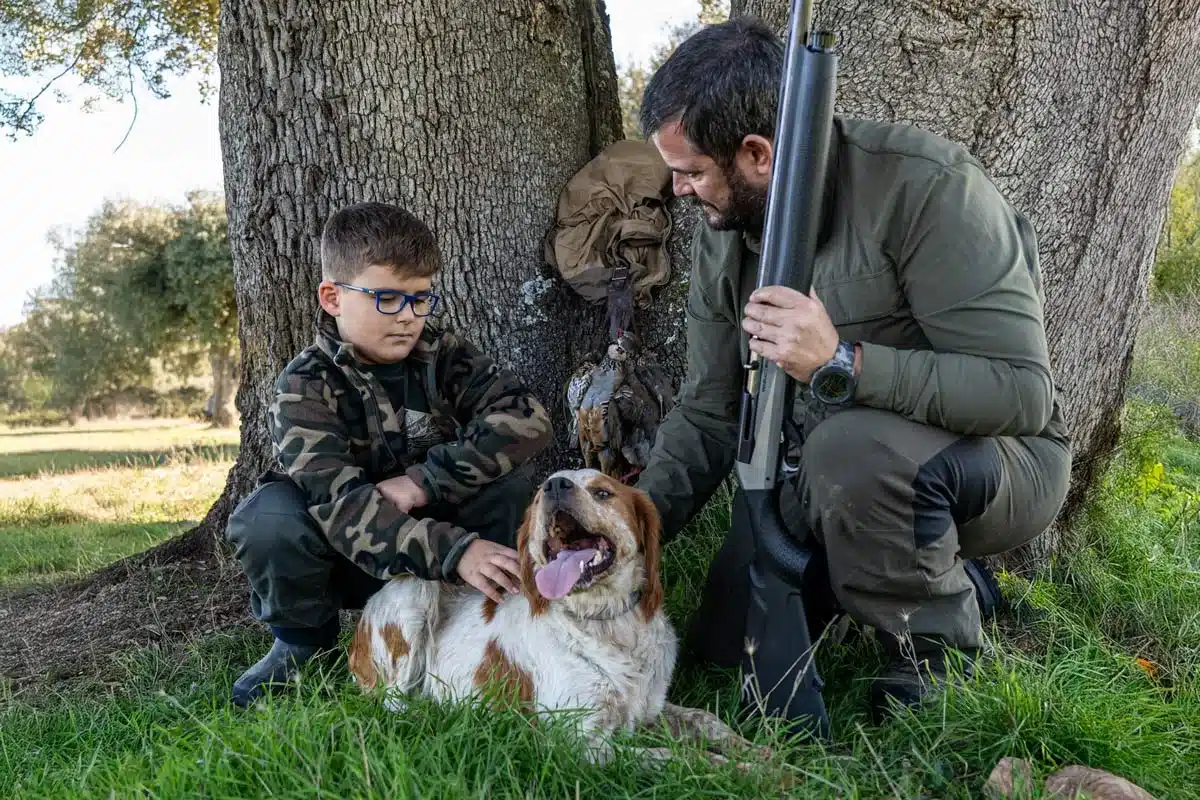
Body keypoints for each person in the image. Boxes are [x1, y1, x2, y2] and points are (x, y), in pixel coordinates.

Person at [632, 18, 1072, 721]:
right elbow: (708, 410)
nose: (679, 191)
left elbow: (1020, 393)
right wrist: (630, 524)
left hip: (1000, 461)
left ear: (757, 153)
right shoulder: (724, 228)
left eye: (691, 173)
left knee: (852, 453)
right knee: (722, 642)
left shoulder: (927, 187)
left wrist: (842, 364)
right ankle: (923, 573)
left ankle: (939, 672)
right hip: (828, 472)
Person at [225, 201, 553, 707]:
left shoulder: (442, 355)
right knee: (267, 519)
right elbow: (345, 510)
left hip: (445, 547)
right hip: (347, 558)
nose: (408, 318)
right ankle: (301, 646)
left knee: (509, 477)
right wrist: (455, 550)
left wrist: (423, 482)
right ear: (333, 298)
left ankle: (478, 625)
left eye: (421, 300)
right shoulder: (304, 386)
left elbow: (528, 419)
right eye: (386, 298)